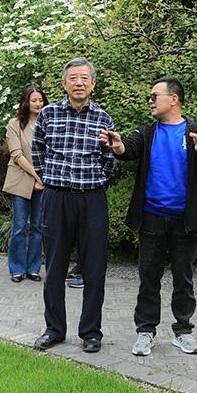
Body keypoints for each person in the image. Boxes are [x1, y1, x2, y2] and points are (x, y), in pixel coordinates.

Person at [100, 77, 197, 357]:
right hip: (151, 217)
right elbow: (128, 150)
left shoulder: (195, 131)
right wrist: (117, 145)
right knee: (148, 278)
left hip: (185, 220)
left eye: (155, 96)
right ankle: (145, 331)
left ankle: (183, 331)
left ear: (173, 99)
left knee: (183, 279)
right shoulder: (147, 132)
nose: (150, 101)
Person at [31, 57, 115, 354]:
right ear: (64, 84)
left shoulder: (103, 118)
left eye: (84, 78)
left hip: (91, 198)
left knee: (94, 268)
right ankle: (54, 329)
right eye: (73, 78)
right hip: (56, 197)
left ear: (93, 84)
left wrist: (95, 180)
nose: (79, 83)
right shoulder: (48, 114)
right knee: (54, 267)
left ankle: (91, 331)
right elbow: (37, 151)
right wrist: (49, 179)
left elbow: (109, 159)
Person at [3, 85, 48, 282]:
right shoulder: (14, 124)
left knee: (38, 226)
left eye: (41, 100)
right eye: (34, 100)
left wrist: (44, 179)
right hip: (21, 180)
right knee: (20, 226)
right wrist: (37, 177)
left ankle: (34, 268)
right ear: (26, 103)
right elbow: (16, 155)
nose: (38, 104)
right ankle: (17, 268)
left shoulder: (49, 123)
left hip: (44, 181)